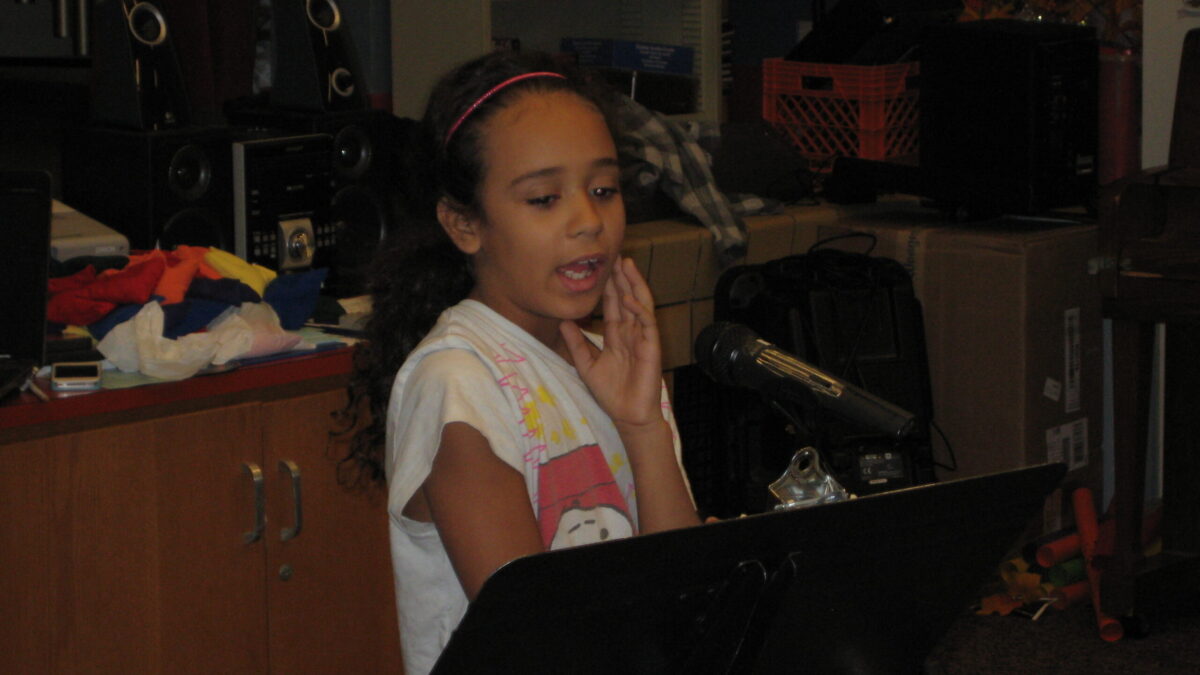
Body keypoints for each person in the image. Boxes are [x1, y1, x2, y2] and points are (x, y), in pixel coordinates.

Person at [339, 50, 700, 674]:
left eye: (603, 190)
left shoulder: (613, 367)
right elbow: (537, 640)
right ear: (463, 223)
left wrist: (643, 425)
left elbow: (689, 604)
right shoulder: (460, 384)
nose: (588, 222)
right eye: (543, 199)